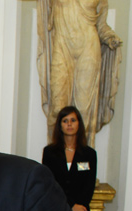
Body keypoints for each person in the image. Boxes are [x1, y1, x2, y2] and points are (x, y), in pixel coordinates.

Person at [37, 0, 122, 147]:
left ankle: (83, 154)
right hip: (62, 46)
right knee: (57, 108)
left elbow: (101, 26)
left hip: (88, 47)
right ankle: (55, 155)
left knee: (84, 112)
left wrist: (109, 37)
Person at [42, 106, 97, 211]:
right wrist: (71, 206)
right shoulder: (49, 152)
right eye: (65, 121)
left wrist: (78, 210)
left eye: (73, 120)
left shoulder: (89, 154)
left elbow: (89, 185)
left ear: (79, 124)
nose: (69, 124)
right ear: (60, 125)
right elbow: (50, 184)